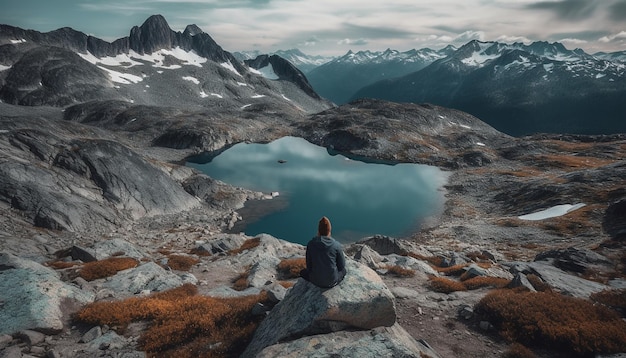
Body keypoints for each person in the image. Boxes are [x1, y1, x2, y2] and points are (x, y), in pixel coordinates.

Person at [300, 216, 347, 288]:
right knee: (344, 271)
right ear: (329, 231)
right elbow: (342, 265)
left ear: (318, 231)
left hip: (315, 281)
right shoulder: (336, 245)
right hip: (332, 281)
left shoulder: (311, 244)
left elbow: (309, 266)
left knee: (302, 272)